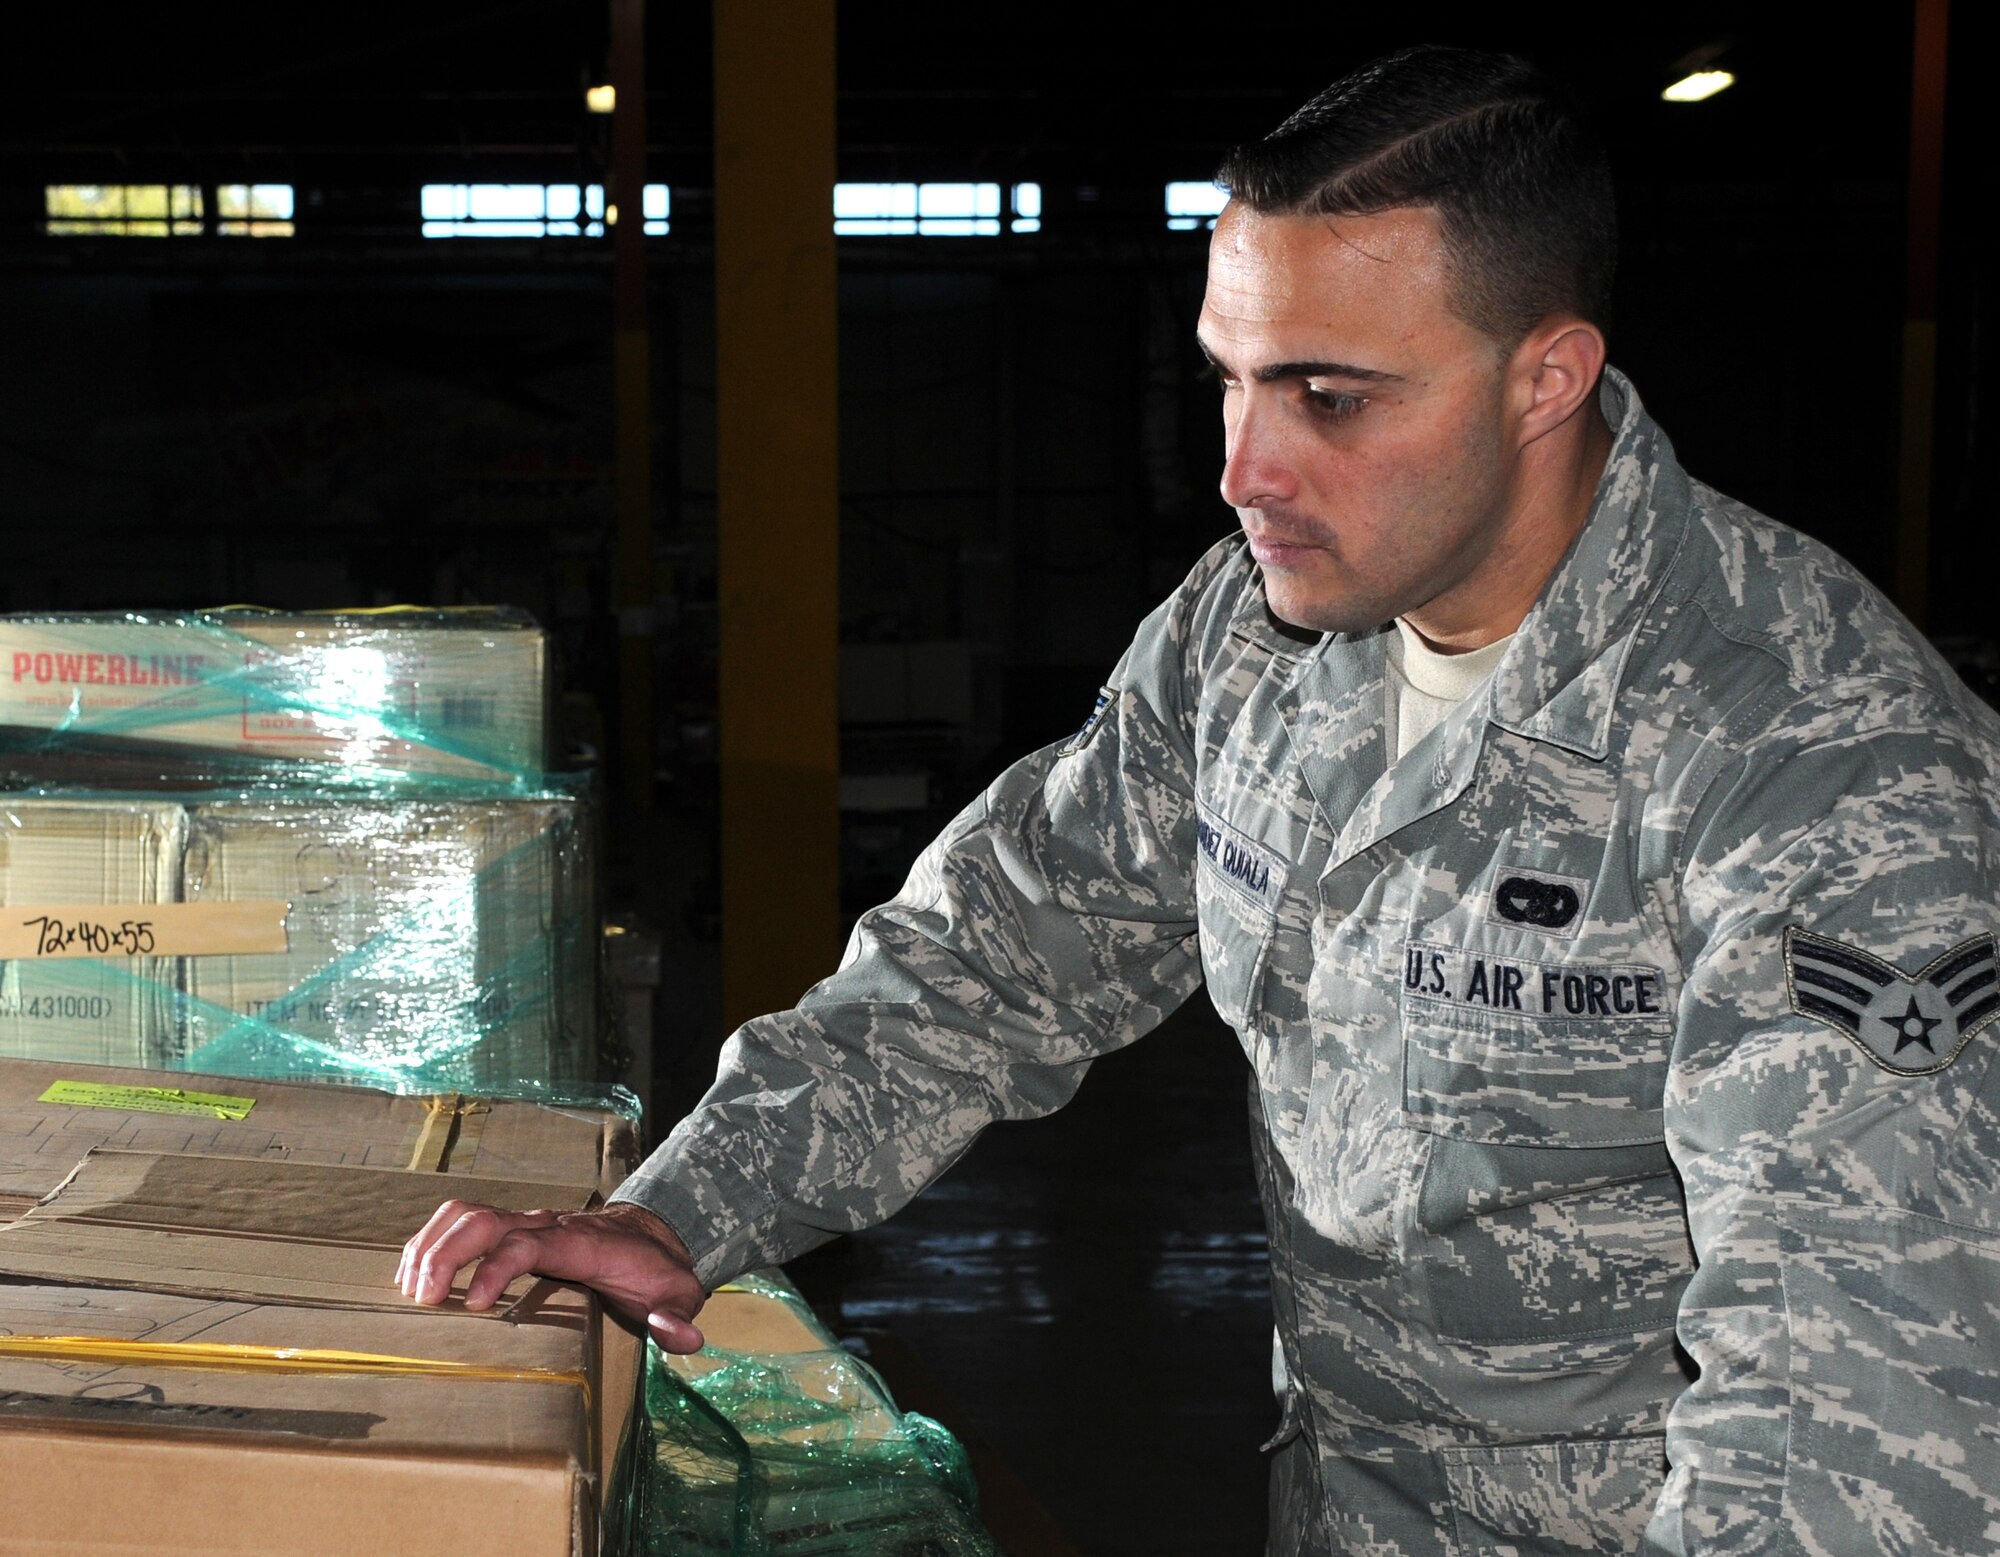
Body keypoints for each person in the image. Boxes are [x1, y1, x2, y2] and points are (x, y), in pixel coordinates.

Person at [399, 45, 2000, 1555]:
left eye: (1331, 394)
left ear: (1547, 380)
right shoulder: (1249, 638)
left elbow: (1841, 1417)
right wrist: (688, 1204)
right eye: (1230, 380)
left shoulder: (1819, 771)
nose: (1244, 467)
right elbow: (998, 949)